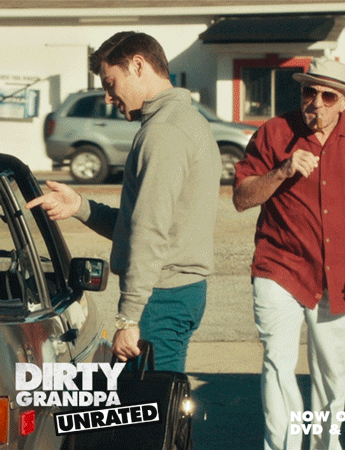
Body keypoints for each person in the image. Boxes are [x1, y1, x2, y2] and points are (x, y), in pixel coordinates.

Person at [232, 57, 345, 450]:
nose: (316, 102)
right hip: (280, 268)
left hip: (339, 274)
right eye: (309, 92)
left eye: (328, 96)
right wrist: (282, 170)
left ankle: (326, 444)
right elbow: (242, 198)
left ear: (343, 101)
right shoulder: (275, 132)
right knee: (278, 363)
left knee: (331, 370)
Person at [27, 31, 222, 372]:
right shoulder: (187, 121)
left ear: (137, 65)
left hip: (159, 297)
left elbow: (149, 231)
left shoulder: (164, 132)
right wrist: (80, 207)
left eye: (110, 82)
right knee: (162, 399)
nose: (107, 97)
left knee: (149, 402)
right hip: (174, 292)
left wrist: (129, 318)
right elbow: (143, 223)